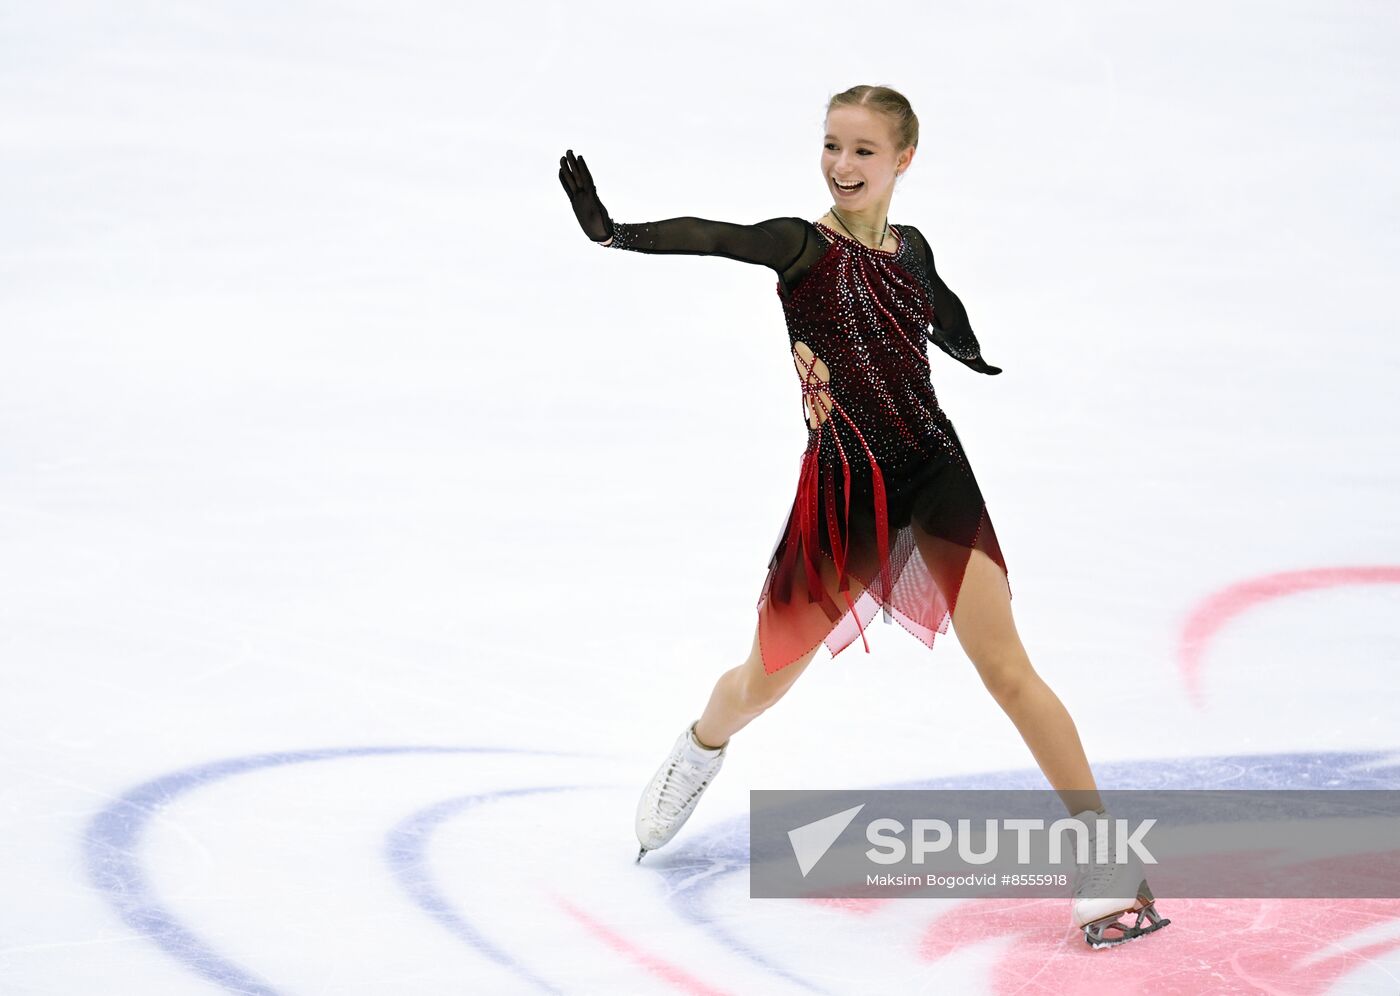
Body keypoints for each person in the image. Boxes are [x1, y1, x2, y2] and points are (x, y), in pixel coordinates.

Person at [558, 84, 1169, 948]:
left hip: (934, 472)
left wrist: (967, 348)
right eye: (832, 146)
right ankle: (700, 747)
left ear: (903, 160)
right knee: (762, 683)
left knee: (1008, 669)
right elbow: (716, 239)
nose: (843, 165)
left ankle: (1108, 868)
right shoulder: (799, 247)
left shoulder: (910, 246)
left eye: (863, 151)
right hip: (846, 492)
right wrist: (615, 231)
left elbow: (935, 298)